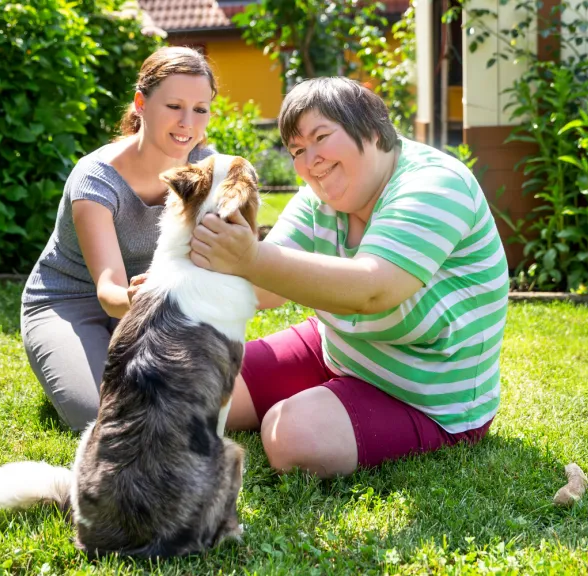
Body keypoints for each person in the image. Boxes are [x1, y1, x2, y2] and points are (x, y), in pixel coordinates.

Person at [190, 77, 509, 478]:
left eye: (321, 137)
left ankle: (334, 410)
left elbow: (373, 290)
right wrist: (180, 286)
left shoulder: (435, 185)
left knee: (290, 436)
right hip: (339, 348)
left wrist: (249, 256)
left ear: (372, 129)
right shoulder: (318, 198)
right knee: (190, 384)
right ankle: (327, 397)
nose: (310, 162)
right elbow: (266, 289)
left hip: (426, 394)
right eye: (298, 151)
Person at [21, 47, 217, 431]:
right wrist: (135, 298)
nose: (187, 122)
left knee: (194, 402)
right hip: (73, 302)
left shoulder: (207, 171)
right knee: (108, 417)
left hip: (155, 306)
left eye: (200, 109)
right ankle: (64, 356)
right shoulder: (95, 178)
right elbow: (109, 290)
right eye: (174, 105)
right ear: (141, 103)